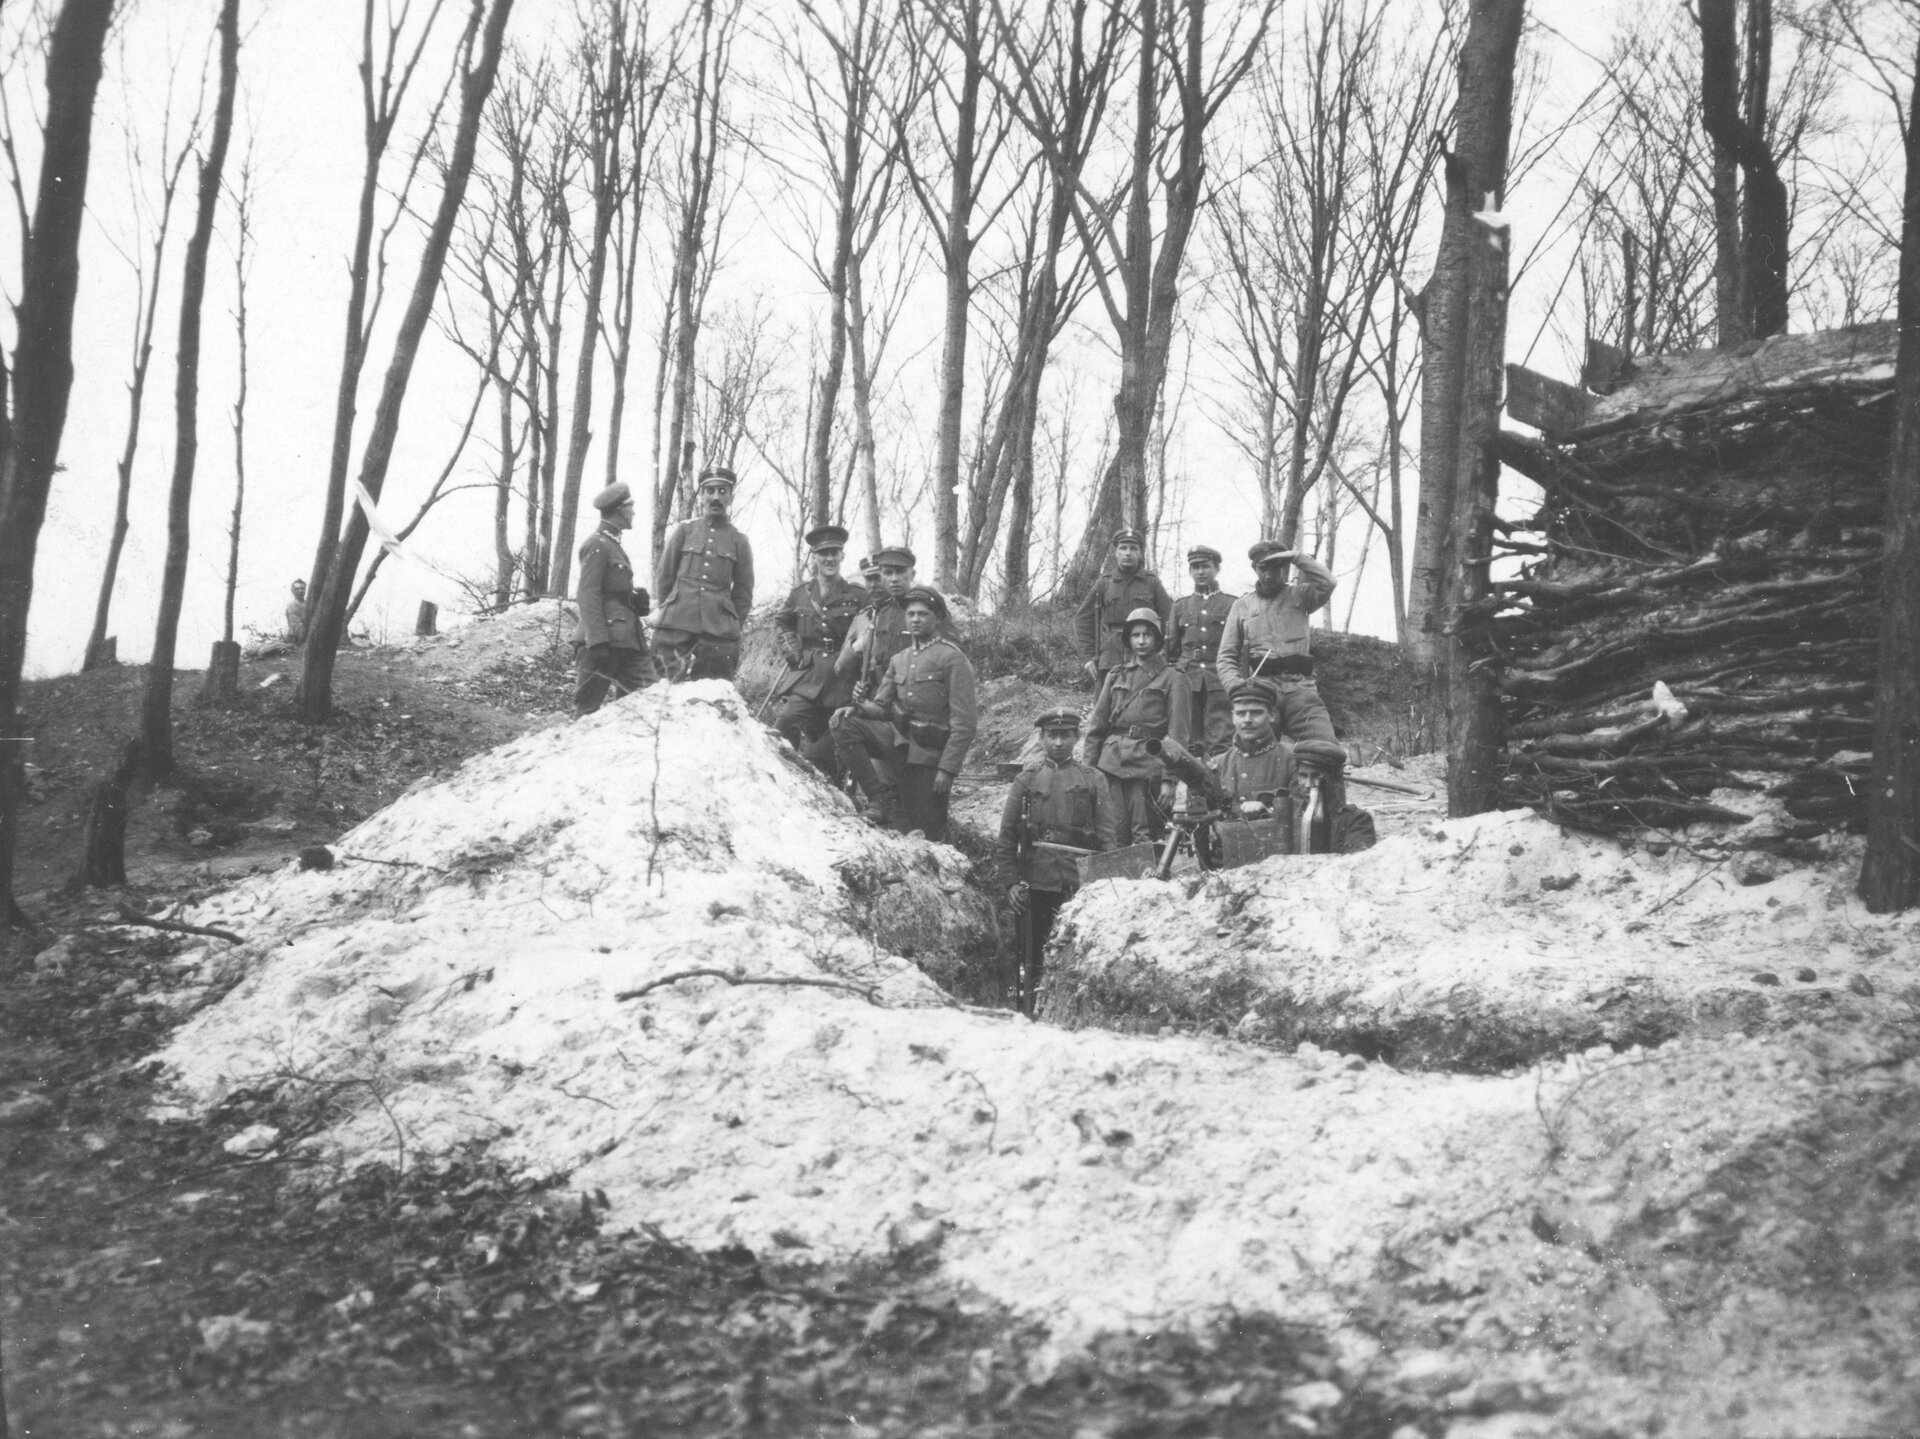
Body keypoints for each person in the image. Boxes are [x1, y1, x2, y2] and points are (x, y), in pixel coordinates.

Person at [995, 708, 1115, 1013]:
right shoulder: (1027, 780)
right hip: (1038, 883)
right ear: (1042, 738)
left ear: (1077, 738)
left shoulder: (1093, 779)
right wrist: (1010, 883)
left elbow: (1107, 838)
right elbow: (1007, 837)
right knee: (1035, 955)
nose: (1059, 742)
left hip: (1080, 885)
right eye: (1052, 735)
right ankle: (1032, 1011)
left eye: (1065, 735)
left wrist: (1101, 887)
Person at [833, 585, 977, 840]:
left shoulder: (952, 659)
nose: (915, 619)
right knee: (845, 723)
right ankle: (878, 800)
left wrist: (947, 769)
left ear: (938, 618)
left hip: (929, 758)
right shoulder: (900, 658)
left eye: (923, 614)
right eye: (911, 614)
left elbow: (964, 723)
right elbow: (881, 706)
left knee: (927, 835)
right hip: (898, 744)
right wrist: (855, 708)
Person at [1084, 607, 1192, 845]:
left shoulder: (1174, 677)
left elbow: (1178, 734)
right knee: (1113, 834)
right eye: (1135, 635)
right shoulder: (1116, 675)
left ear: (1158, 639)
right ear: (1128, 640)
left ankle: (1147, 880)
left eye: (1147, 634)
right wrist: (1088, 774)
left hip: (1148, 765)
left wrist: (1169, 780)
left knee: (1145, 836)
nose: (1141, 641)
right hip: (1111, 764)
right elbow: (1097, 728)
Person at [1215, 539, 1338, 745]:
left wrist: (1298, 558)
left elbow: (1329, 583)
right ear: (1255, 568)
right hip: (1262, 693)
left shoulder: (1301, 594)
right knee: (1255, 751)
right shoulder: (1242, 606)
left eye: (1276, 568)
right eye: (1263, 568)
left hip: (1300, 690)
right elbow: (1225, 657)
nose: (1269, 575)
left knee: (1325, 749)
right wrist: (1238, 689)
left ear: (1285, 568)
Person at [771, 523, 866, 774]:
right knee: (787, 721)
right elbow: (782, 623)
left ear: (842, 556)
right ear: (814, 557)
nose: (829, 558)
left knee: (833, 734)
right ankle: (784, 774)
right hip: (808, 674)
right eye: (824, 553)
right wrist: (792, 648)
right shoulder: (800, 594)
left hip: (842, 674)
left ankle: (831, 782)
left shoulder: (857, 595)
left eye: (835, 552)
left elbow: (870, 629)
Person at [653, 464, 754, 680]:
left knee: (712, 698)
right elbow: (665, 579)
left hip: (718, 632)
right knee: (662, 691)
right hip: (675, 625)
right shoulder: (684, 531)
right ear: (702, 496)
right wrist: (671, 613)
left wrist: (731, 625)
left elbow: (743, 593)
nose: (716, 497)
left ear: (730, 498)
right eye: (710, 491)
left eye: (722, 491)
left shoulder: (739, 541)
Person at [570, 482, 651, 717]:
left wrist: (635, 600)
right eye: (631, 507)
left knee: (647, 699)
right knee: (585, 714)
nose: (634, 512)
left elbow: (611, 593)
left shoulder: (612, 544)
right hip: (601, 642)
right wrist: (597, 641)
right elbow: (587, 593)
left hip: (624, 641)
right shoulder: (597, 544)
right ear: (620, 510)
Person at [1072, 528, 1171, 689]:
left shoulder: (1152, 582)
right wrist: (1088, 656)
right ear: (1116, 553)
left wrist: (1162, 652)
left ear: (1140, 553)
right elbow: (1083, 619)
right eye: (1123, 548)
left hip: (1145, 653)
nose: (1128, 553)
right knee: (1105, 704)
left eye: (1133, 548)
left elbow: (1169, 619)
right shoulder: (1105, 582)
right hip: (1111, 655)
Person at [1166, 545, 1236, 756]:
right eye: (1195, 567)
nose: (1200, 571)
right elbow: (1171, 649)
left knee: (1220, 738)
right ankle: (1194, 789)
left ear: (1217, 569)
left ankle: (1218, 786)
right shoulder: (1180, 606)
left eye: (1205, 566)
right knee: (1191, 739)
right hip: (1188, 677)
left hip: (1219, 678)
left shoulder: (1232, 604)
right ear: (1190, 571)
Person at [1210, 679, 1298, 817]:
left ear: (1272, 715)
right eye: (1241, 713)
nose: (1247, 720)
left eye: (1256, 713)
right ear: (1232, 717)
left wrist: (1267, 812)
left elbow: (1301, 817)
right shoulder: (1218, 764)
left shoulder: (1292, 758)